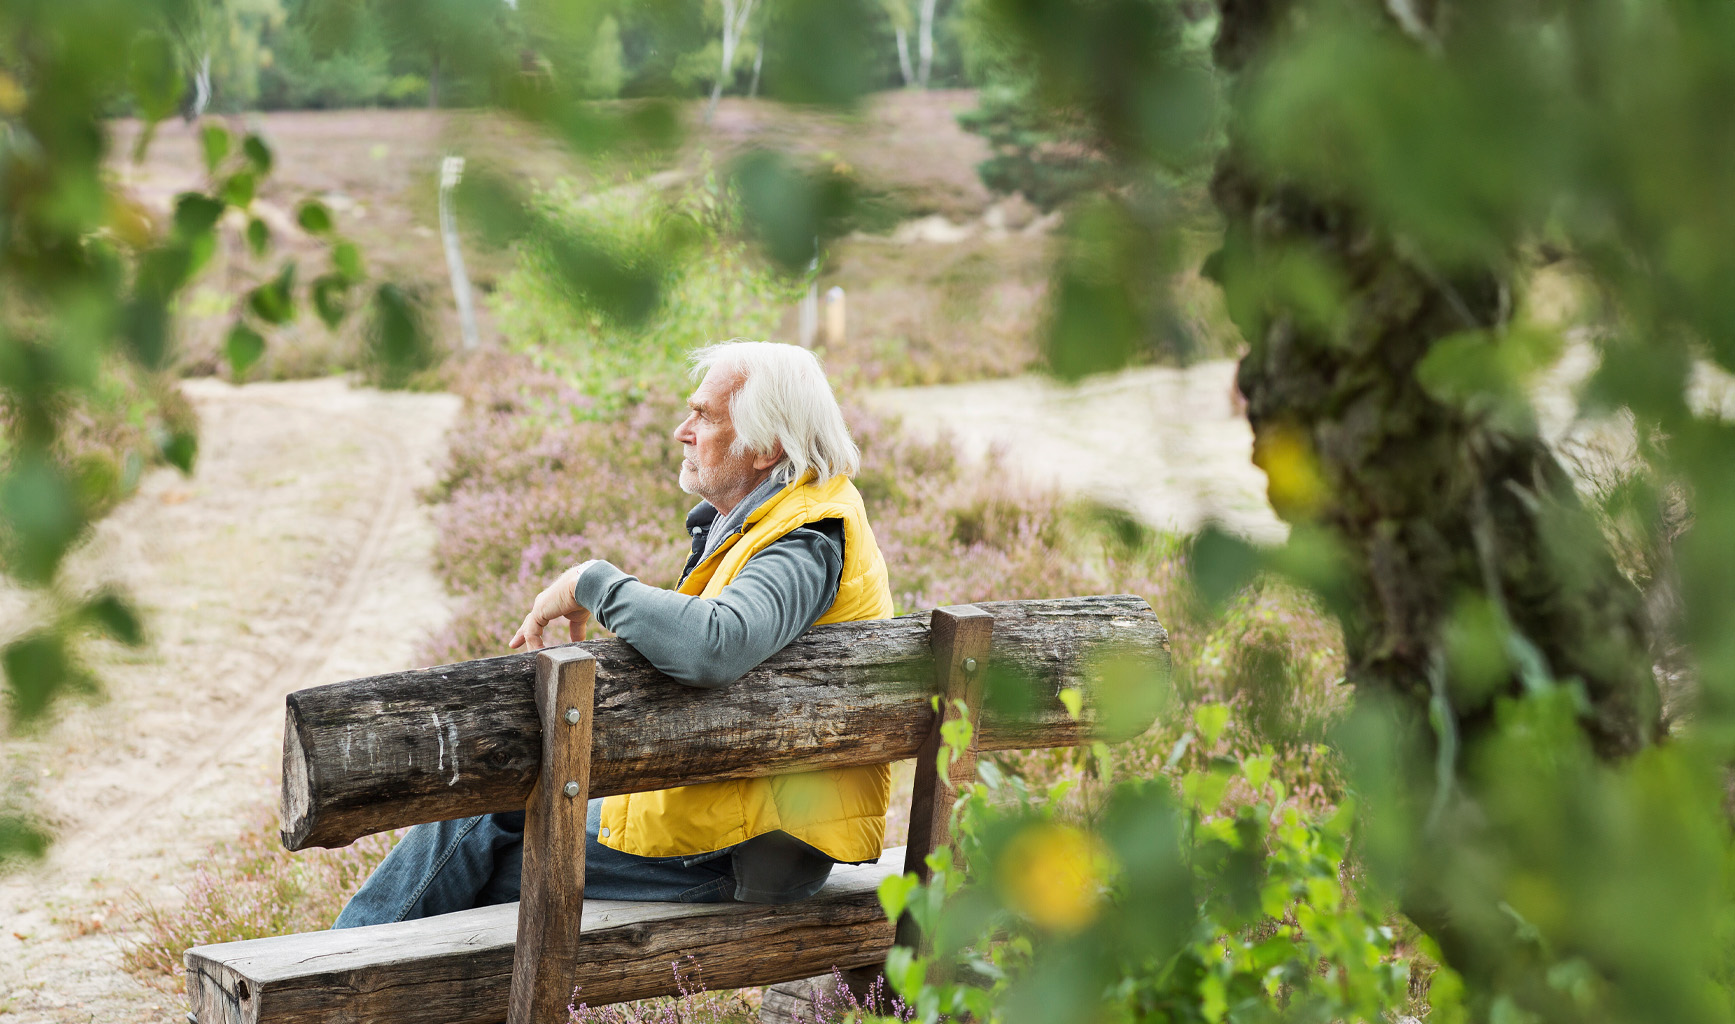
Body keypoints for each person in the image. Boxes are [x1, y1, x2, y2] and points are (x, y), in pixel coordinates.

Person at [334, 340, 893, 927]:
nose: (682, 430)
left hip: (747, 847)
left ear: (767, 447)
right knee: (491, 865)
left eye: (703, 416)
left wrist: (593, 582)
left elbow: (714, 646)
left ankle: (329, 977)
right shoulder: (780, 520)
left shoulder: (805, 540)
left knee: (479, 814)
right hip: (734, 821)